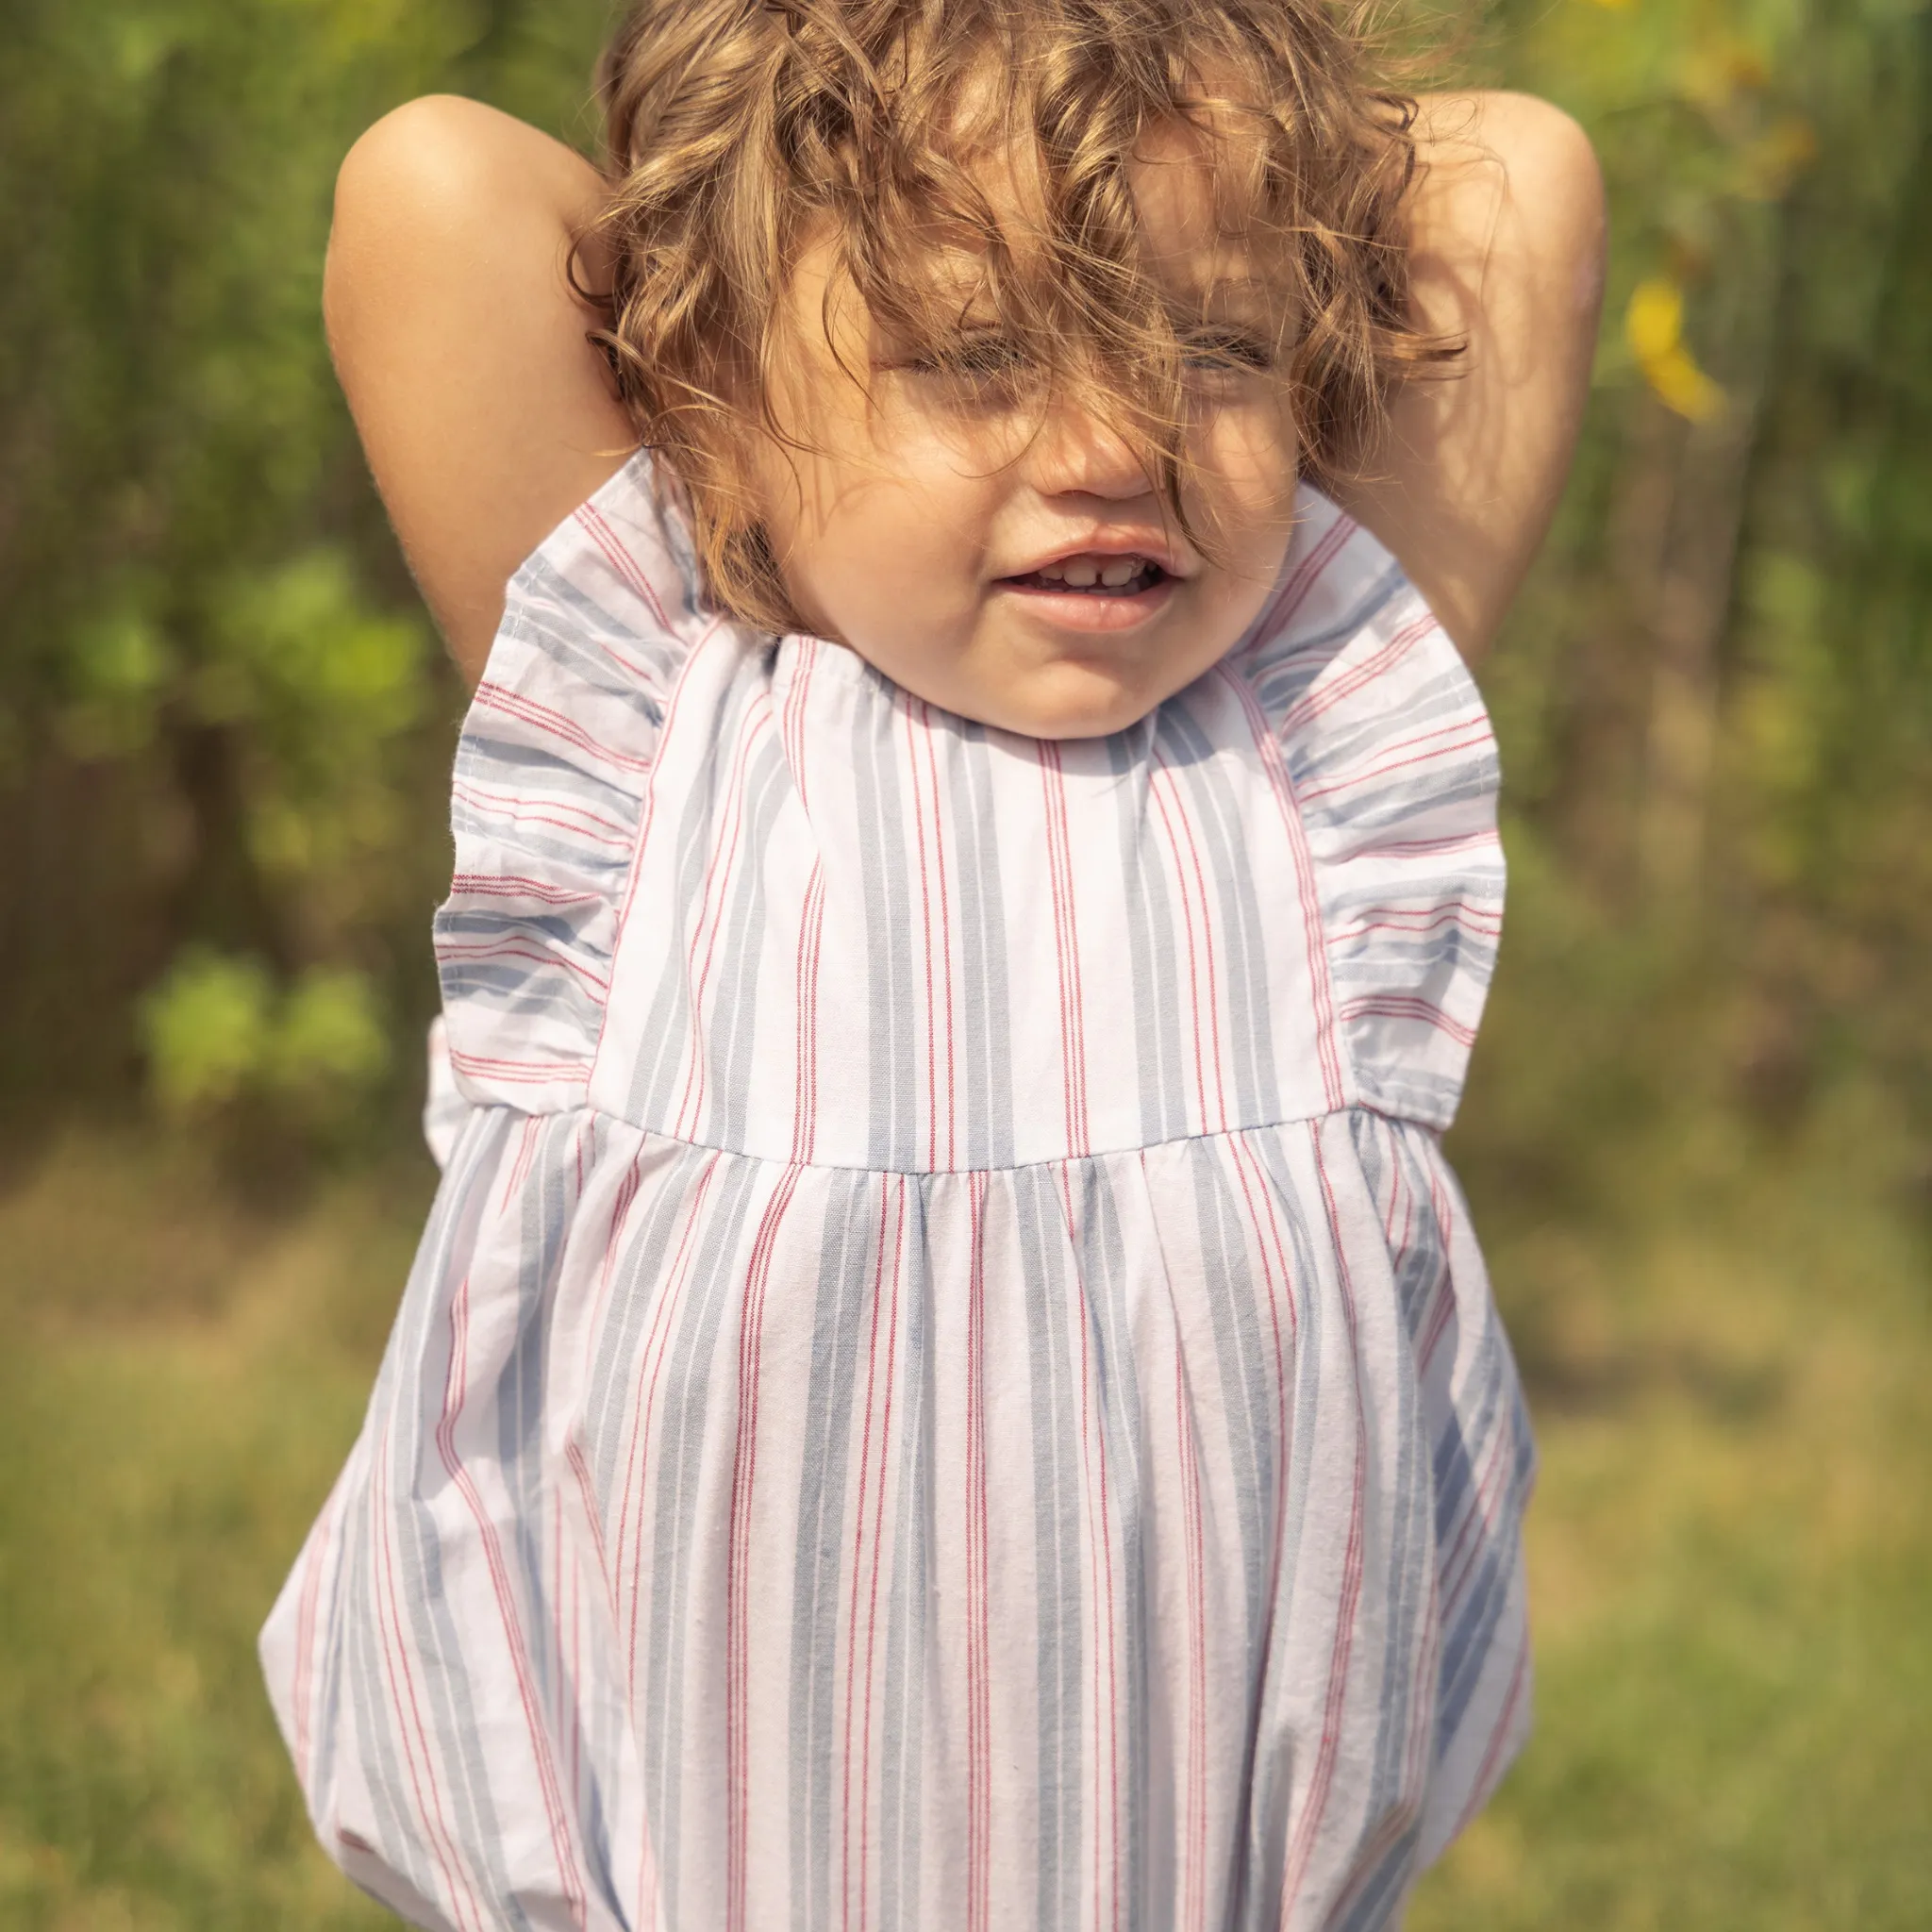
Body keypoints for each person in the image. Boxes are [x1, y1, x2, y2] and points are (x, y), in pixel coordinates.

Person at [261, 0, 1605, 1924]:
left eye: (1210, 348)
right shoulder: (660, 726)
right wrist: (766, 175)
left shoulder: (1301, 739)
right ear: (713, 401)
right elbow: (434, 192)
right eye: (977, 352)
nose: (1116, 440)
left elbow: (1510, 182)